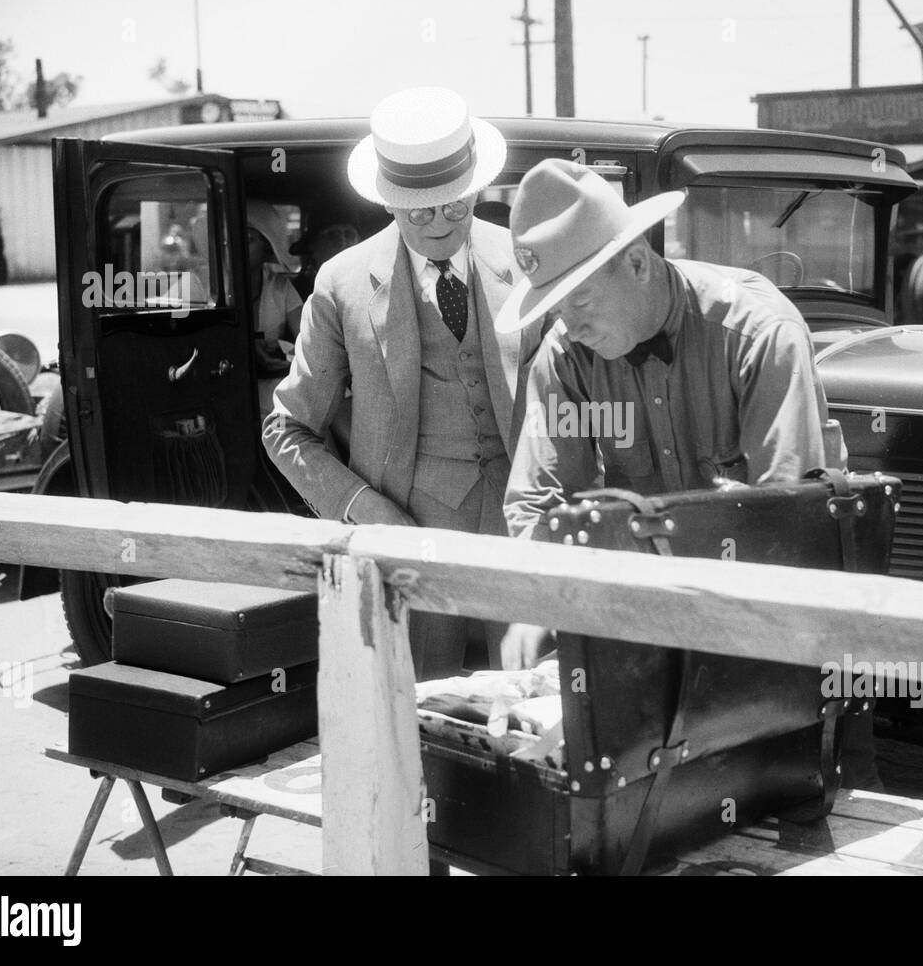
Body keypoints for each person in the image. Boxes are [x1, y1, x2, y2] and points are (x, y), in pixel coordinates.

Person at [493, 159, 879, 788]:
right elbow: (536, 505)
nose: (570, 325)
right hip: (655, 660)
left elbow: (784, 520)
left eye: (582, 300)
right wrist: (544, 594)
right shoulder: (565, 362)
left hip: (789, 647)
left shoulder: (758, 332)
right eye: (555, 309)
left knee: (826, 812)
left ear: (638, 264)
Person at [263, 87, 538, 679]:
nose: (440, 223)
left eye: (456, 205)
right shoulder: (341, 286)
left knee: (539, 715)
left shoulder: (527, 261)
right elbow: (286, 430)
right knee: (416, 718)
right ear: (389, 202)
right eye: (420, 211)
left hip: (524, 534)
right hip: (411, 541)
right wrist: (363, 508)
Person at [244, 199, 305, 416]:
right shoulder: (204, 285)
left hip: (273, 388)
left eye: (249, 239)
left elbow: (306, 338)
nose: (238, 245)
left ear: (266, 248)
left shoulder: (280, 287)